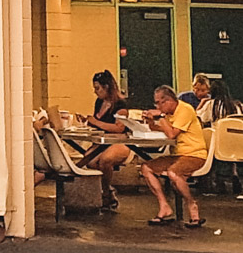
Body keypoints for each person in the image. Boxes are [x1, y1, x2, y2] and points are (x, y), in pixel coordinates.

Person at [140, 85, 209, 228]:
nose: (158, 106)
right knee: (146, 168)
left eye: (159, 103)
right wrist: (151, 121)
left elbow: (171, 134)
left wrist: (161, 116)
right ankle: (164, 205)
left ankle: (192, 205)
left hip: (194, 154)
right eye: (156, 104)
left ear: (169, 101)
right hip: (177, 154)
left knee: (173, 173)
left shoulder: (185, 110)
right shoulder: (168, 115)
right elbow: (158, 129)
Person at [80, 70, 131, 212]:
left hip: (118, 141)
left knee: (105, 160)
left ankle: (106, 191)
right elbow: (98, 121)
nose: (96, 92)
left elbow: (119, 128)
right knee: (89, 160)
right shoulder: (99, 102)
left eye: (97, 88)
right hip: (103, 141)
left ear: (106, 87)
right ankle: (106, 188)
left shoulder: (120, 105)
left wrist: (96, 122)